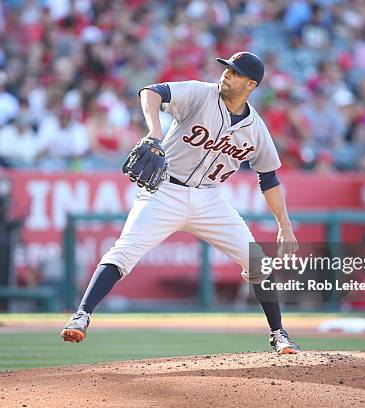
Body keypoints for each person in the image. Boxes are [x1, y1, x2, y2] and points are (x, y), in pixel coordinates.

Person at [61, 52, 300, 354]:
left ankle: (279, 334)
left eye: (235, 73)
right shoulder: (201, 94)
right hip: (165, 191)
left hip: (210, 198)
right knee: (124, 252)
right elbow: (151, 92)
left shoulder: (257, 130)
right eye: (226, 68)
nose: (226, 74)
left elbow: (269, 179)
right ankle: (81, 316)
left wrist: (285, 225)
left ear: (251, 84)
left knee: (257, 262)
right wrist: (154, 132)